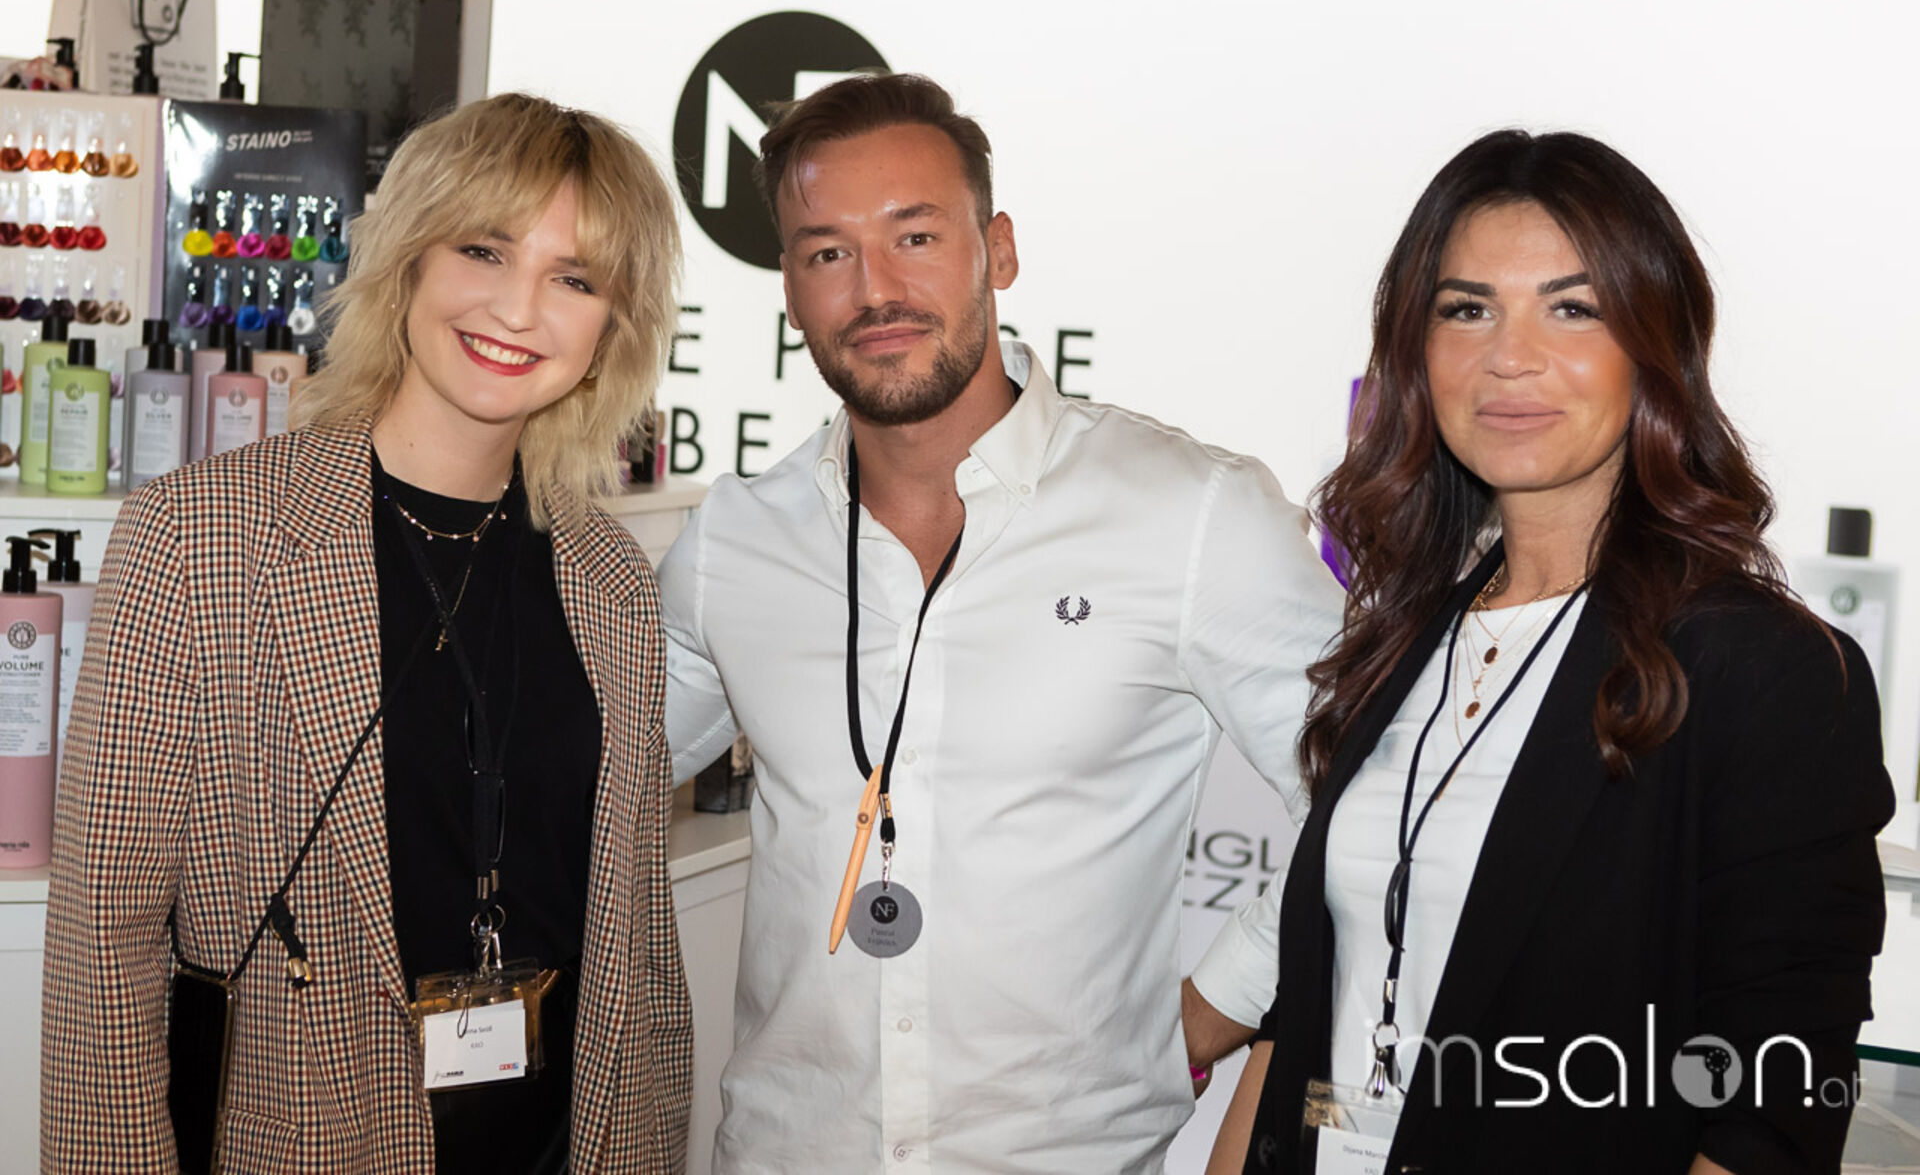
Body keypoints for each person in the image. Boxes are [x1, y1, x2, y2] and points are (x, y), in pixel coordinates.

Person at [660, 71, 1346, 1171]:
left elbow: (1373, 786)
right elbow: (589, 776)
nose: (875, 289)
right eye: (828, 252)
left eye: (915, 236)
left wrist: (1214, 1007)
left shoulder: (1188, 512)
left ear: (999, 250)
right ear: (788, 288)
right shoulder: (737, 540)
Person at [1209, 130, 1894, 1175]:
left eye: (1572, 309)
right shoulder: (1403, 634)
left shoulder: (1763, 670)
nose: (1509, 356)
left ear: (1657, 345)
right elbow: (1311, 1000)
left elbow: (1777, 1095)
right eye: (1466, 309)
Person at [40, 93, 693, 1173]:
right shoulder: (203, 537)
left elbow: (641, 947)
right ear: (409, 258)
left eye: (575, 279)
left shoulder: (609, 575)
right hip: (308, 1136)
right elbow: (102, 942)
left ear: (611, 331)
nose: (519, 309)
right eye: (485, 250)